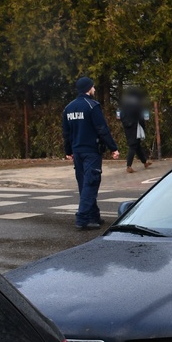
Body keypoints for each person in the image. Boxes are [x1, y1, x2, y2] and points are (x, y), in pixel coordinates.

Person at [62, 76, 119, 230]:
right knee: (91, 182)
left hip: (77, 151)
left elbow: (66, 133)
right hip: (91, 151)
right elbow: (102, 129)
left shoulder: (68, 108)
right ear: (88, 88)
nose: (94, 89)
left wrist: (68, 151)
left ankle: (94, 215)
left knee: (84, 183)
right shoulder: (92, 106)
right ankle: (82, 218)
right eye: (93, 87)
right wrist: (113, 148)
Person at [119, 87, 153, 173]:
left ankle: (144, 162)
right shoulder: (136, 104)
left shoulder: (124, 104)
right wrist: (143, 127)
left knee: (137, 146)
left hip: (127, 127)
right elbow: (140, 117)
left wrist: (126, 123)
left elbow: (121, 115)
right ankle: (129, 166)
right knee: (133, 145)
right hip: (135, 126)